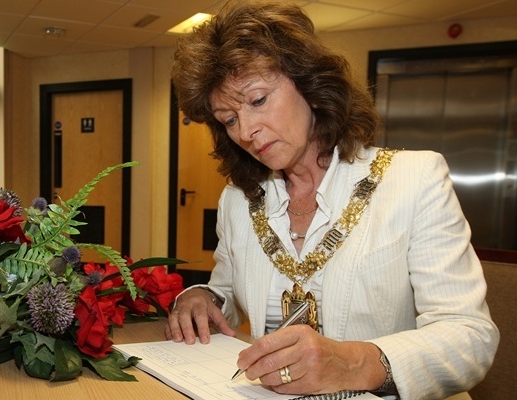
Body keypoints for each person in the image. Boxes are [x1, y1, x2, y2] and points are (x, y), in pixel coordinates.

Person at [165, 2, 499, 400]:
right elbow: (226, 289)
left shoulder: (414, 180)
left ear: (310, 86)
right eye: (229, 119)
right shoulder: (239, 200)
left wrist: (355, 362)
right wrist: (201, 296)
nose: (247, 130)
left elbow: (470, 337)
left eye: (257, 100)